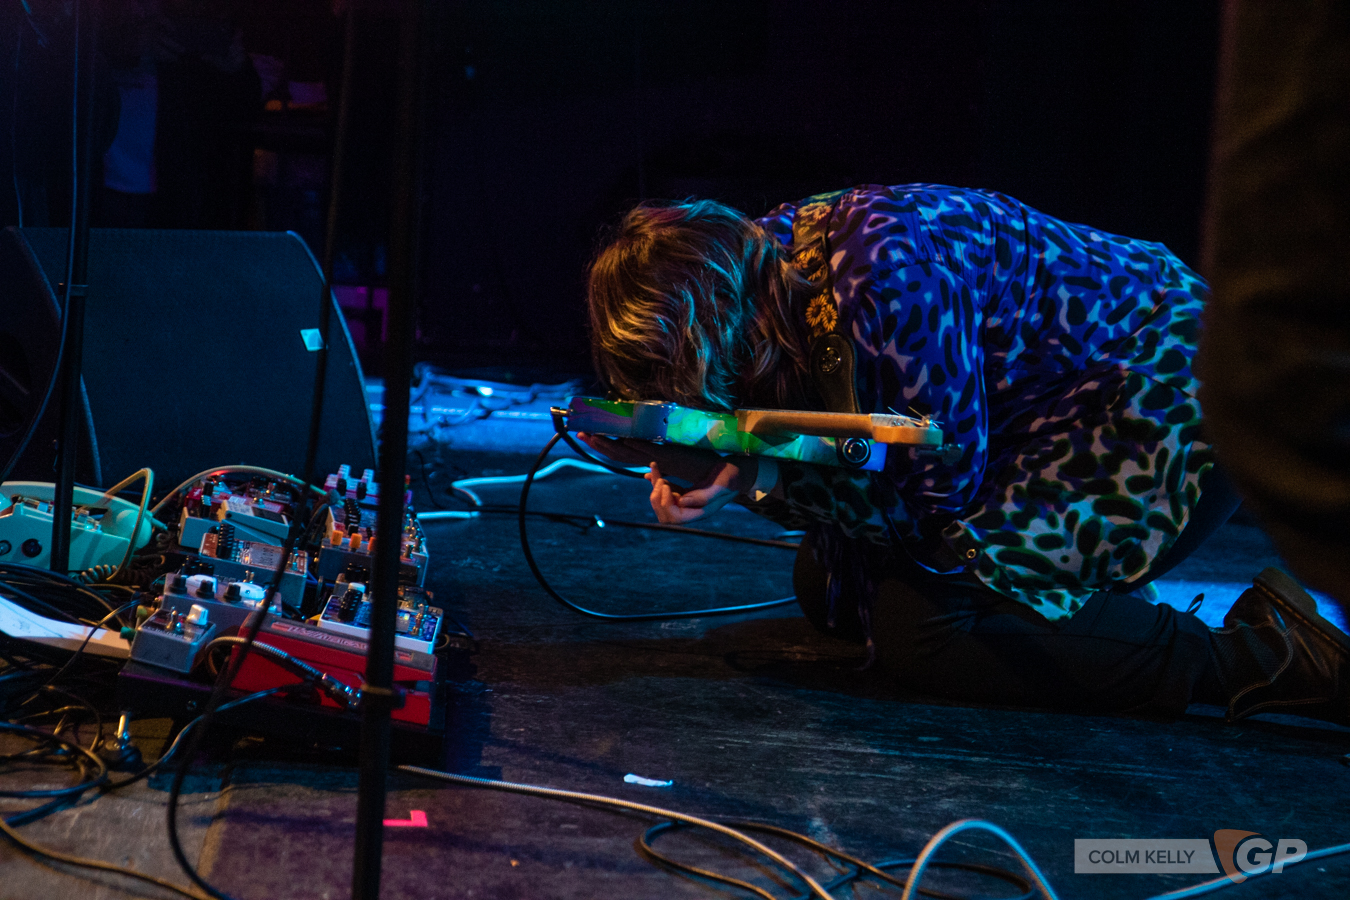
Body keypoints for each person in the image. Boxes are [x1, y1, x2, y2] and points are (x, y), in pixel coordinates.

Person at [580, 183, 1350, 725]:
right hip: (1030, 424)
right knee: (829, 588)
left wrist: (749, 474)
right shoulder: (769, 278)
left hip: (1157, 392)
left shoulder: (885, 276)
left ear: (715, 327)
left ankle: (1269, 654)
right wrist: (716, 460)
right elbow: (851, 457)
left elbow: (936, 501)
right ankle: (1095, 616)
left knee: (928, 633)